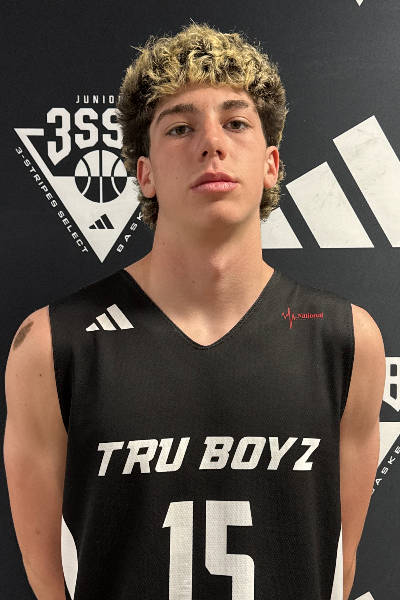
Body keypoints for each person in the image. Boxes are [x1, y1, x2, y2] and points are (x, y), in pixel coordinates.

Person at [4, 21, 385, 600]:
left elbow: (338, 565)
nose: (211, 143)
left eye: (236, 123)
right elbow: (44, 576)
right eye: (180, 127)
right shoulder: (53, 343)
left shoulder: (346, 339)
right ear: (145, 174)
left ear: (271, 164)